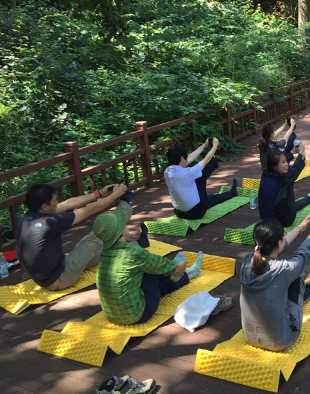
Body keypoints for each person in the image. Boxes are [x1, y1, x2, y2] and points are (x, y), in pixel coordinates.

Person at [93, 198, 231, 325]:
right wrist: (178, 266)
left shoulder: (104, 254)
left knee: (146, 271)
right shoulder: (132, 253)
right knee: (152, 273)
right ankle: (187, 274)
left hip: (112, 316)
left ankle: (187, 274)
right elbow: (161, 266)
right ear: (120, 232)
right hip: (137, 315)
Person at [16, 182, 128, 290]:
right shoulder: (49, 223)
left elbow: (68, 204)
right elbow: (92, 209)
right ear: (45, 206)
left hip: (50, 274)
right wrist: (115, 195)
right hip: (60, 278)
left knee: (98, 254)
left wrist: (99, 193)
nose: (57, 203)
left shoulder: (28, 216)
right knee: (102, 230)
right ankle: (125, 215)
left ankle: (123, 248)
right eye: (55, 200)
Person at [240, 215, 310, 352]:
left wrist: (300, 227)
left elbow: (276, 245)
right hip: (282, 340)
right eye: (283, 236)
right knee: (297, 279)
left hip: (250, 338)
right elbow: (303, 253)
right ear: (279, 242)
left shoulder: (247, 261)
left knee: (282, 285)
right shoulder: (285, 269)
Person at [164, 137, 237, 220]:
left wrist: (204, 146)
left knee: (210, 198)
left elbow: (189, 158)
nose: (187, 159)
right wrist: (215, 146)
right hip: (196, 213)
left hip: (179, 213)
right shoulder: (187, 173)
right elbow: (206, 160)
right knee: (201, 176)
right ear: (181, 159)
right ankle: (232, 192)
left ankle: (231, 193)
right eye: (185, 157)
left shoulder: (167, 172)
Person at [259, 148, 310, 227]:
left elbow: (287, 167)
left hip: (264, 219)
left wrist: (292, 152)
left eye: (286, 161)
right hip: (282, 221)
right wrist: (301, 154)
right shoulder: (283, 179)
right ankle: (309, 198)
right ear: (275, 167)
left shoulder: (265, 175)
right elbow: (295, 169)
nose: (286, 163)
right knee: (290, 180)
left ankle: (309, 198)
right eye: (283, 162)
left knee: (292, 203)